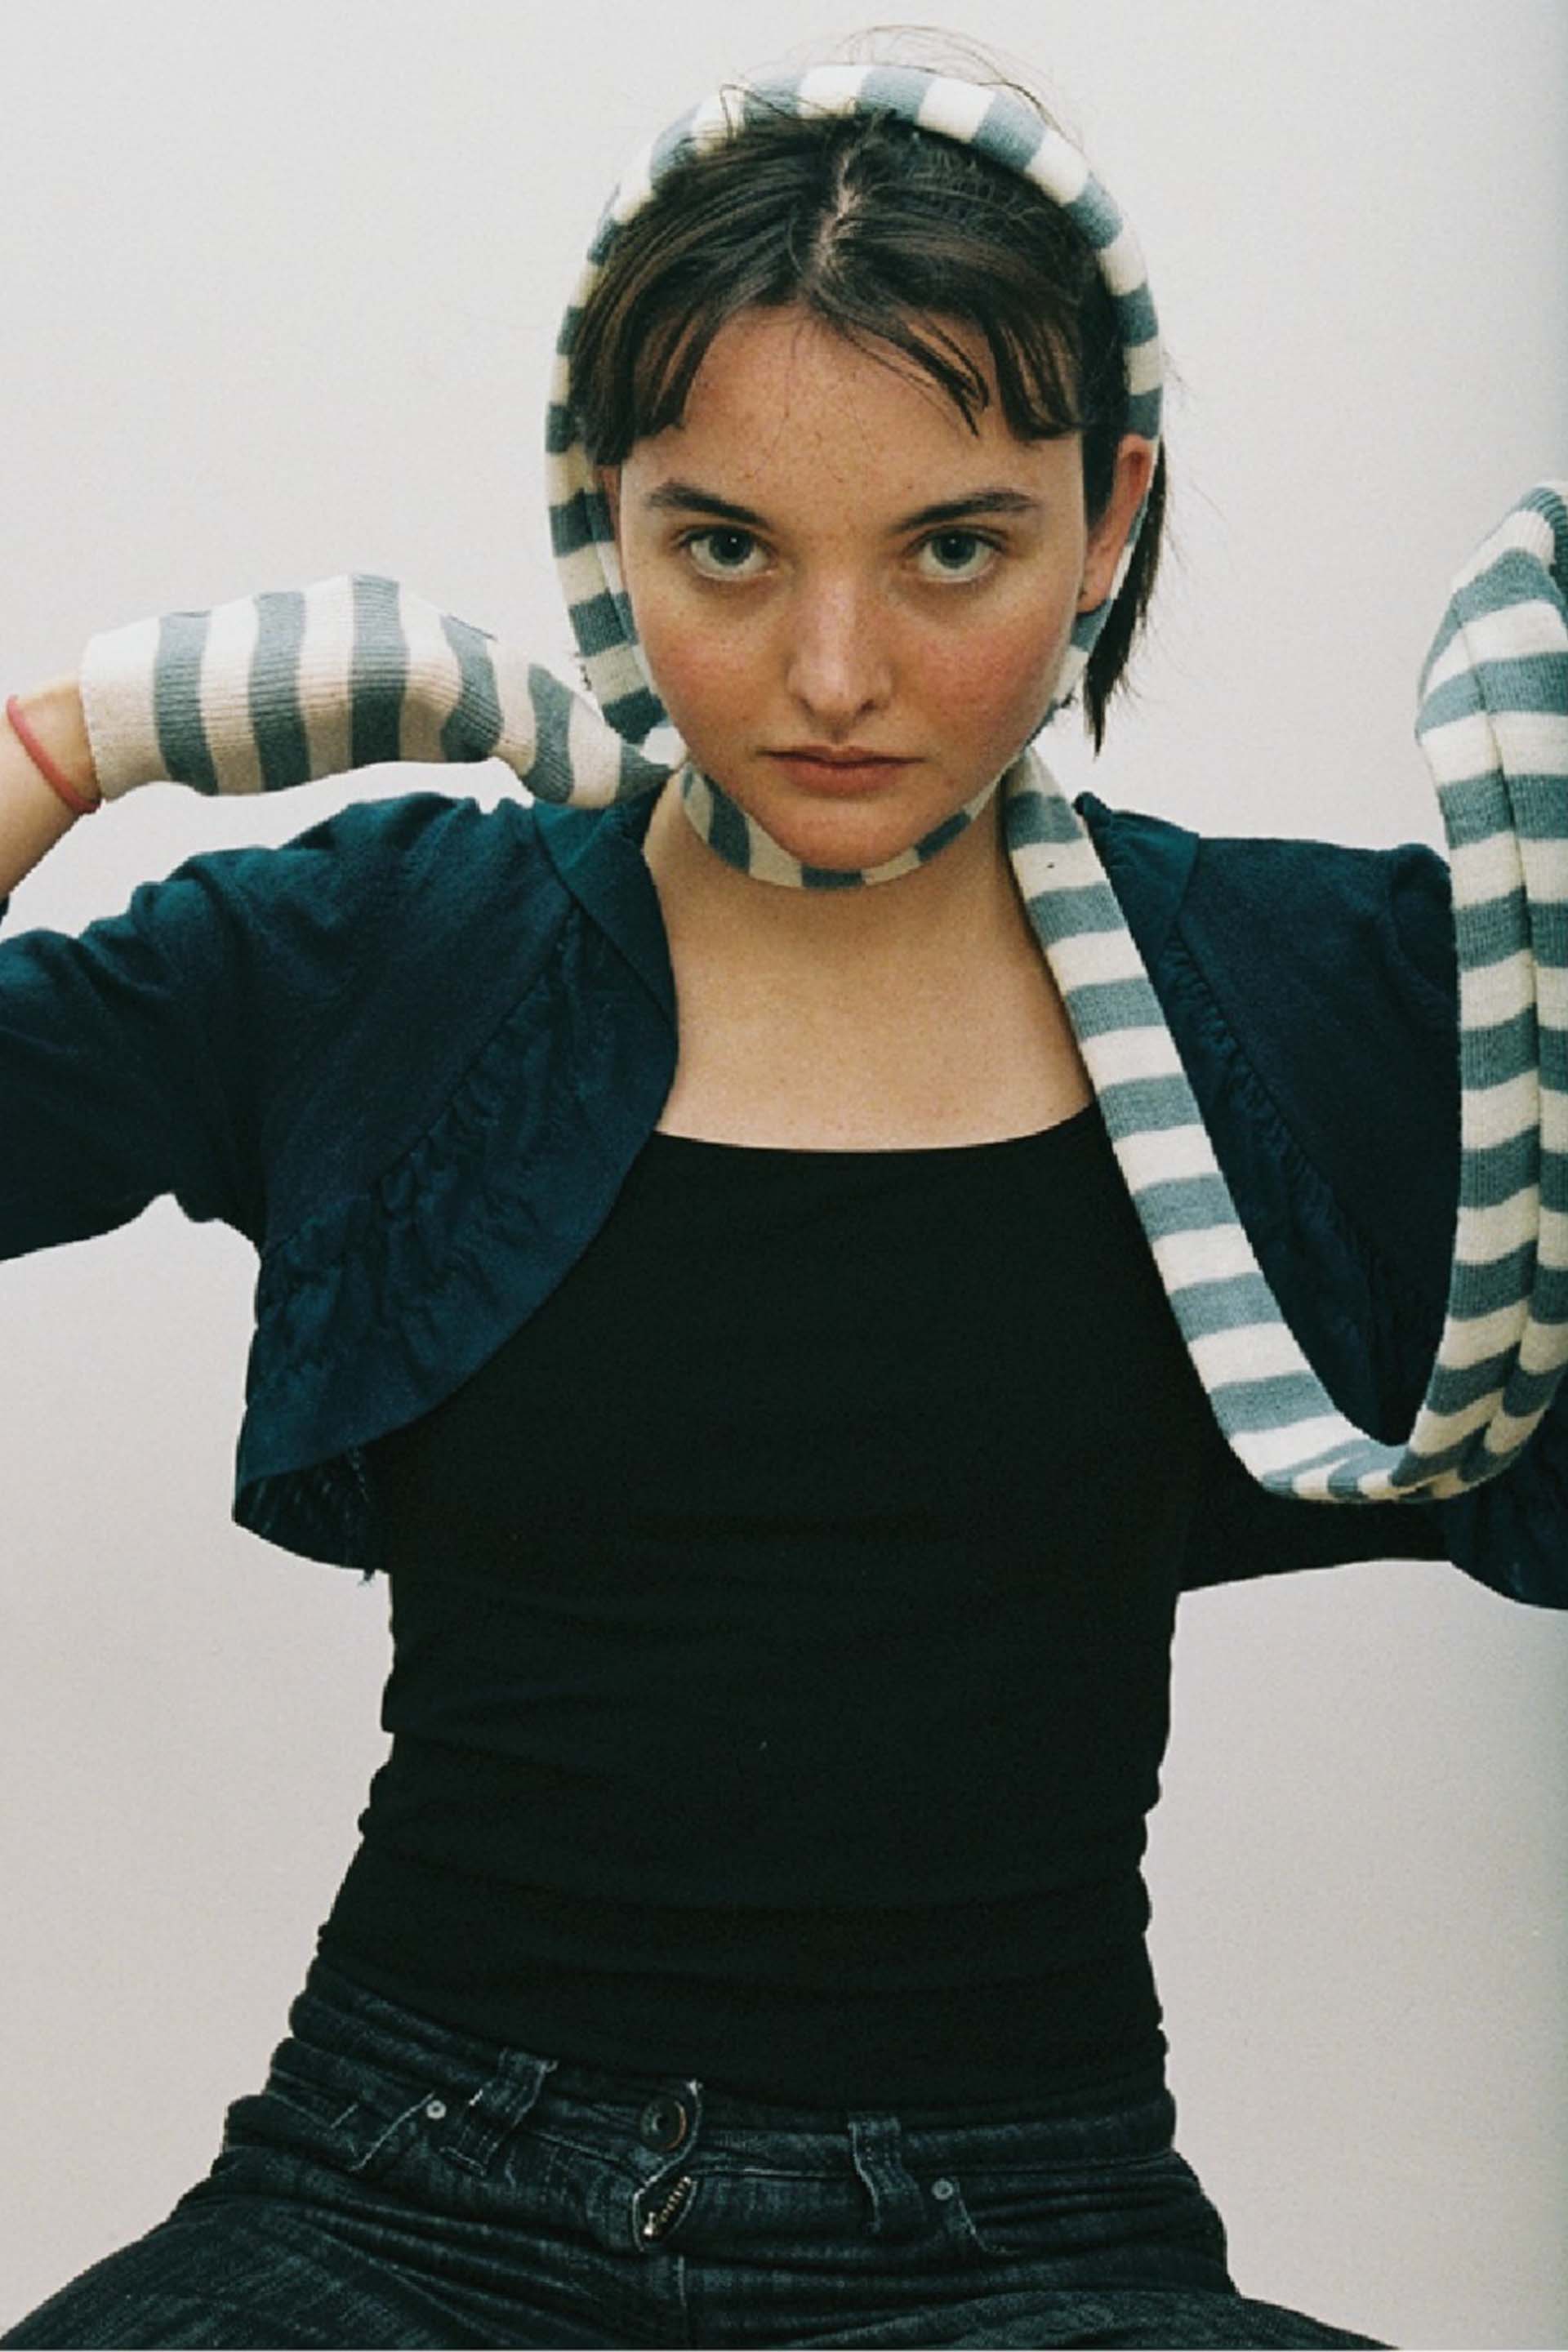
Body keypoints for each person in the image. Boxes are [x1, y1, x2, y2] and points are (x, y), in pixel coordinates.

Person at [1, 36, 1564, 2352]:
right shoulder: (395, 949)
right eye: (726, 547)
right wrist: (68, 741)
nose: (836, 677)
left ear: (1109, 517)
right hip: (386, 2197)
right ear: (603, 515)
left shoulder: (1330, 993)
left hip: (1022, 2248)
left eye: (955, 549)